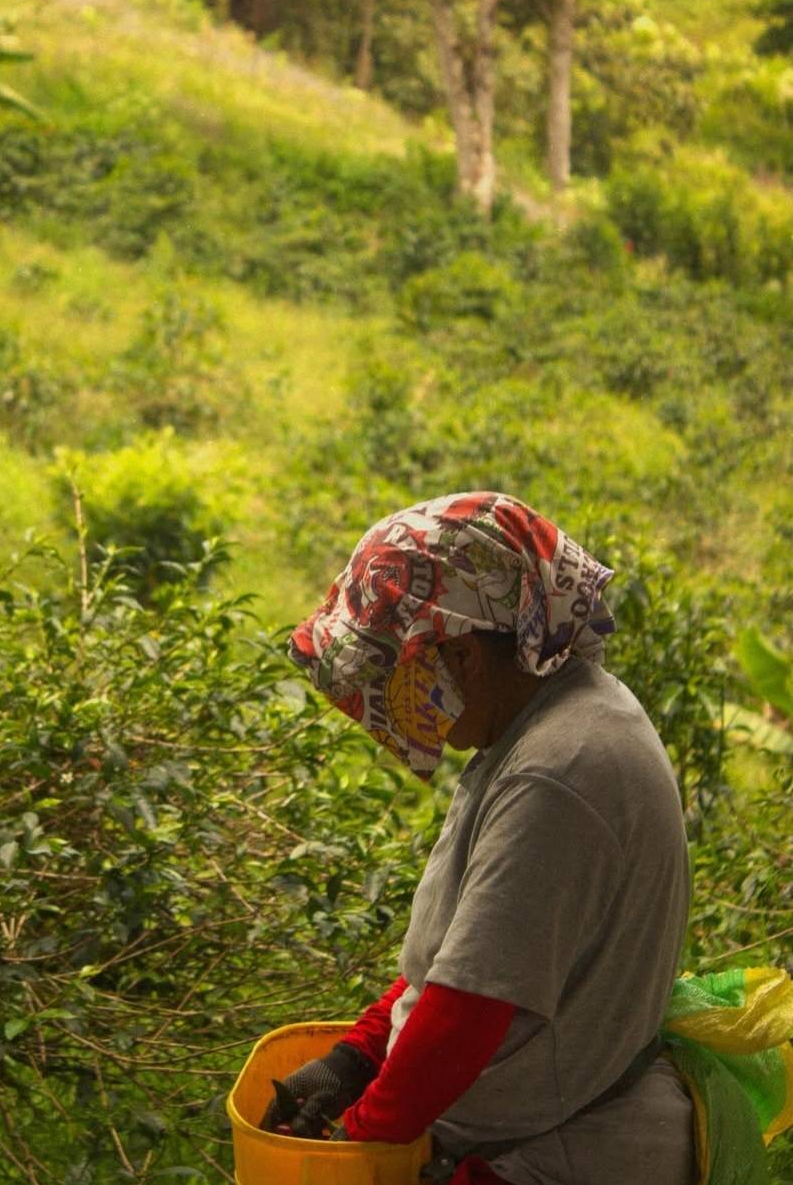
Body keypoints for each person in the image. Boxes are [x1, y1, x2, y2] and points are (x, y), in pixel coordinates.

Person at [261, 492, 696, 1185]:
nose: (390, 698)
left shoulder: (554, 776)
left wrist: (360, 1141)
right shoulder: (555, 721)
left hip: (560, 1152)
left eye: (394, 673)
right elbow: (466, 960)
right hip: (554, 1122)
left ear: (460, 656)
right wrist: (357, 1058)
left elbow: (468, 1011)